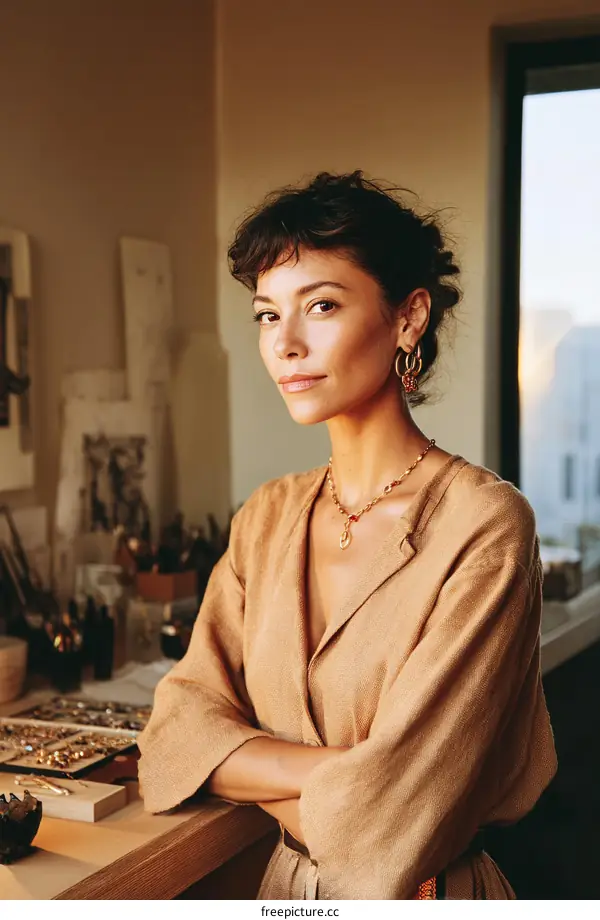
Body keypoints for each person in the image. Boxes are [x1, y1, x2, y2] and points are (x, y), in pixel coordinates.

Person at [137, 171, 557, 900]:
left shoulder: (485, 527)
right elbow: (174, 735)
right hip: (285, 892)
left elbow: (405, 818)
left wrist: (247, 763)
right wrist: (350, 771)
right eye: (268, 315)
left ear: (408, 317)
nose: (285, 345)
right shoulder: (266, 517)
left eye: (321, 306)